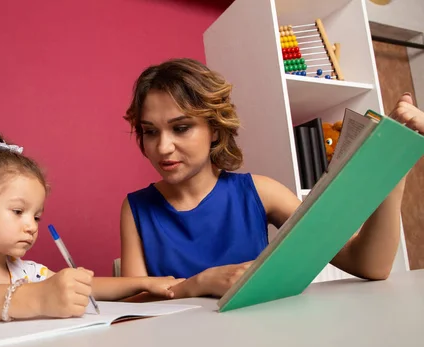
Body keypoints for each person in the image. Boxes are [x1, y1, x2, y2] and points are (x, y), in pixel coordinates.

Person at [119, 58, 421, 299]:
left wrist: (392, 170)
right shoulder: (136, 208)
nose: (162, 147)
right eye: (150, 131)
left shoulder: (261, 192)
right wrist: (198, 284)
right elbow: (133, 309)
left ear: (214, 128)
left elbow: (369, 265)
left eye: (181, 128)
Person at [0, 131, 183, 322]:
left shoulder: (26, 271)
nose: (31, 226)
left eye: (36, 217)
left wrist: (145, 283)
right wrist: (38, 298)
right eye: (18, 212)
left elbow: (89, 286)